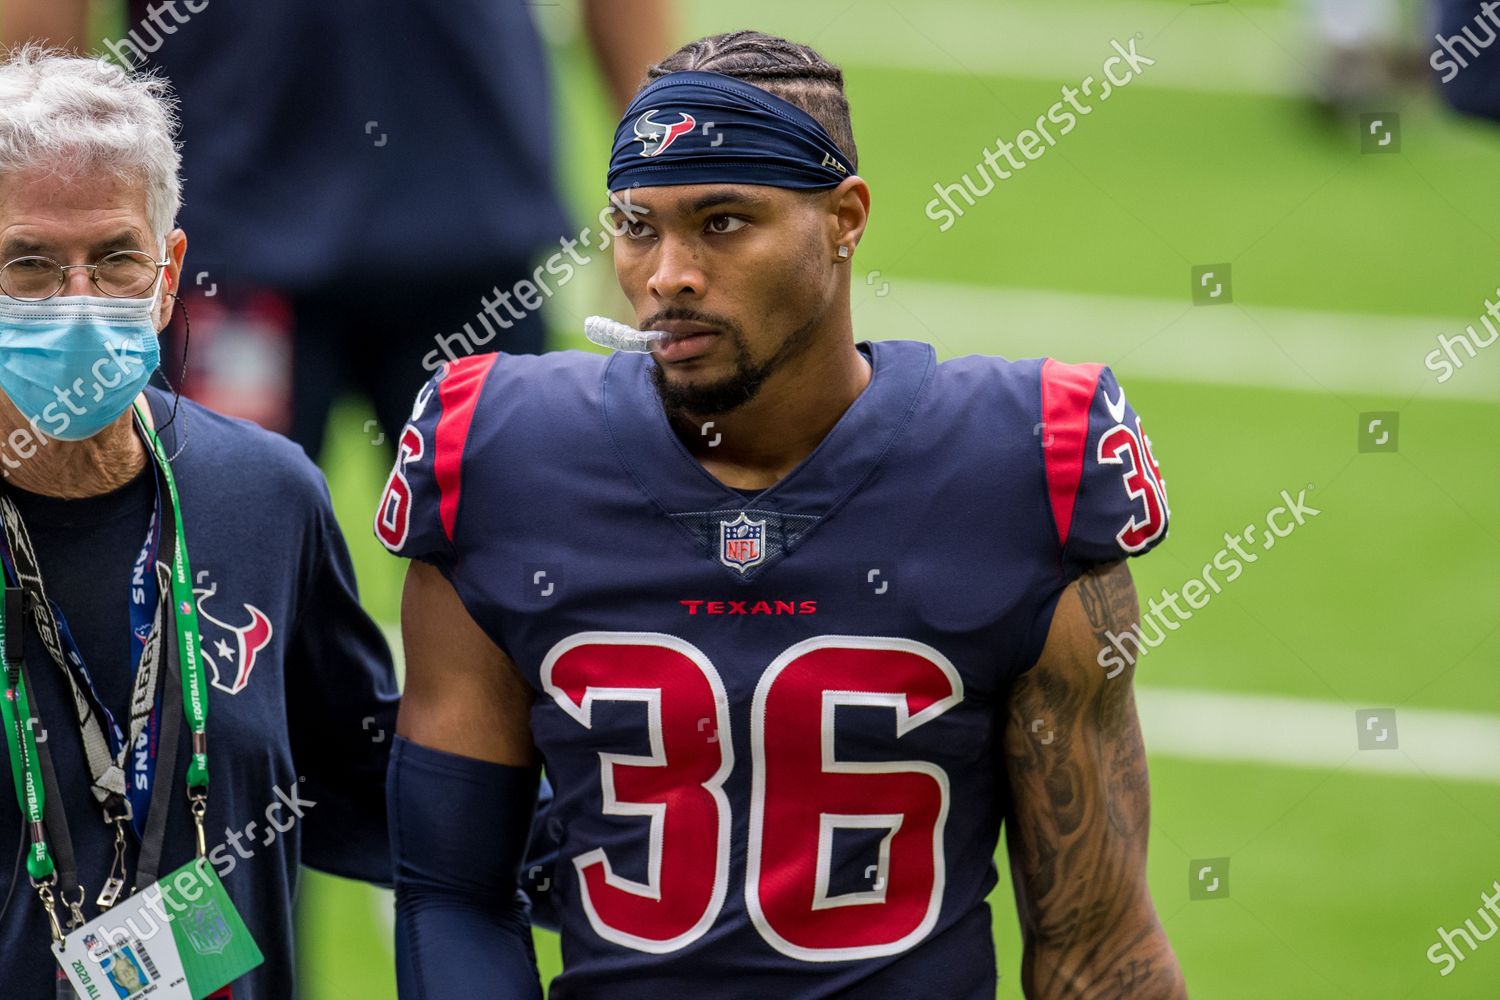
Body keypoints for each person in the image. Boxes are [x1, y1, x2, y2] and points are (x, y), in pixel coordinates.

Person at [378, 29, 1187, 999]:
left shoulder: (1021, 469)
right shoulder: (502, 457)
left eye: (723, 222)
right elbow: (454, 892)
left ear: (844, 219)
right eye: (639, 225)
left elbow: (1093, 944)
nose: (668, 274)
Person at [0, 48, 398, 998]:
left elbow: (366, 786)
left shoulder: (265, 495)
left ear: (170, 272)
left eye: (117, 259)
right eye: (30, 265)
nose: (80, 302)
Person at [1, 0, 673, 459]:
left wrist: (659, 188)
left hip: (466, 237)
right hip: (231, 248)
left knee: (514, 562)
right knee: (215, 562)